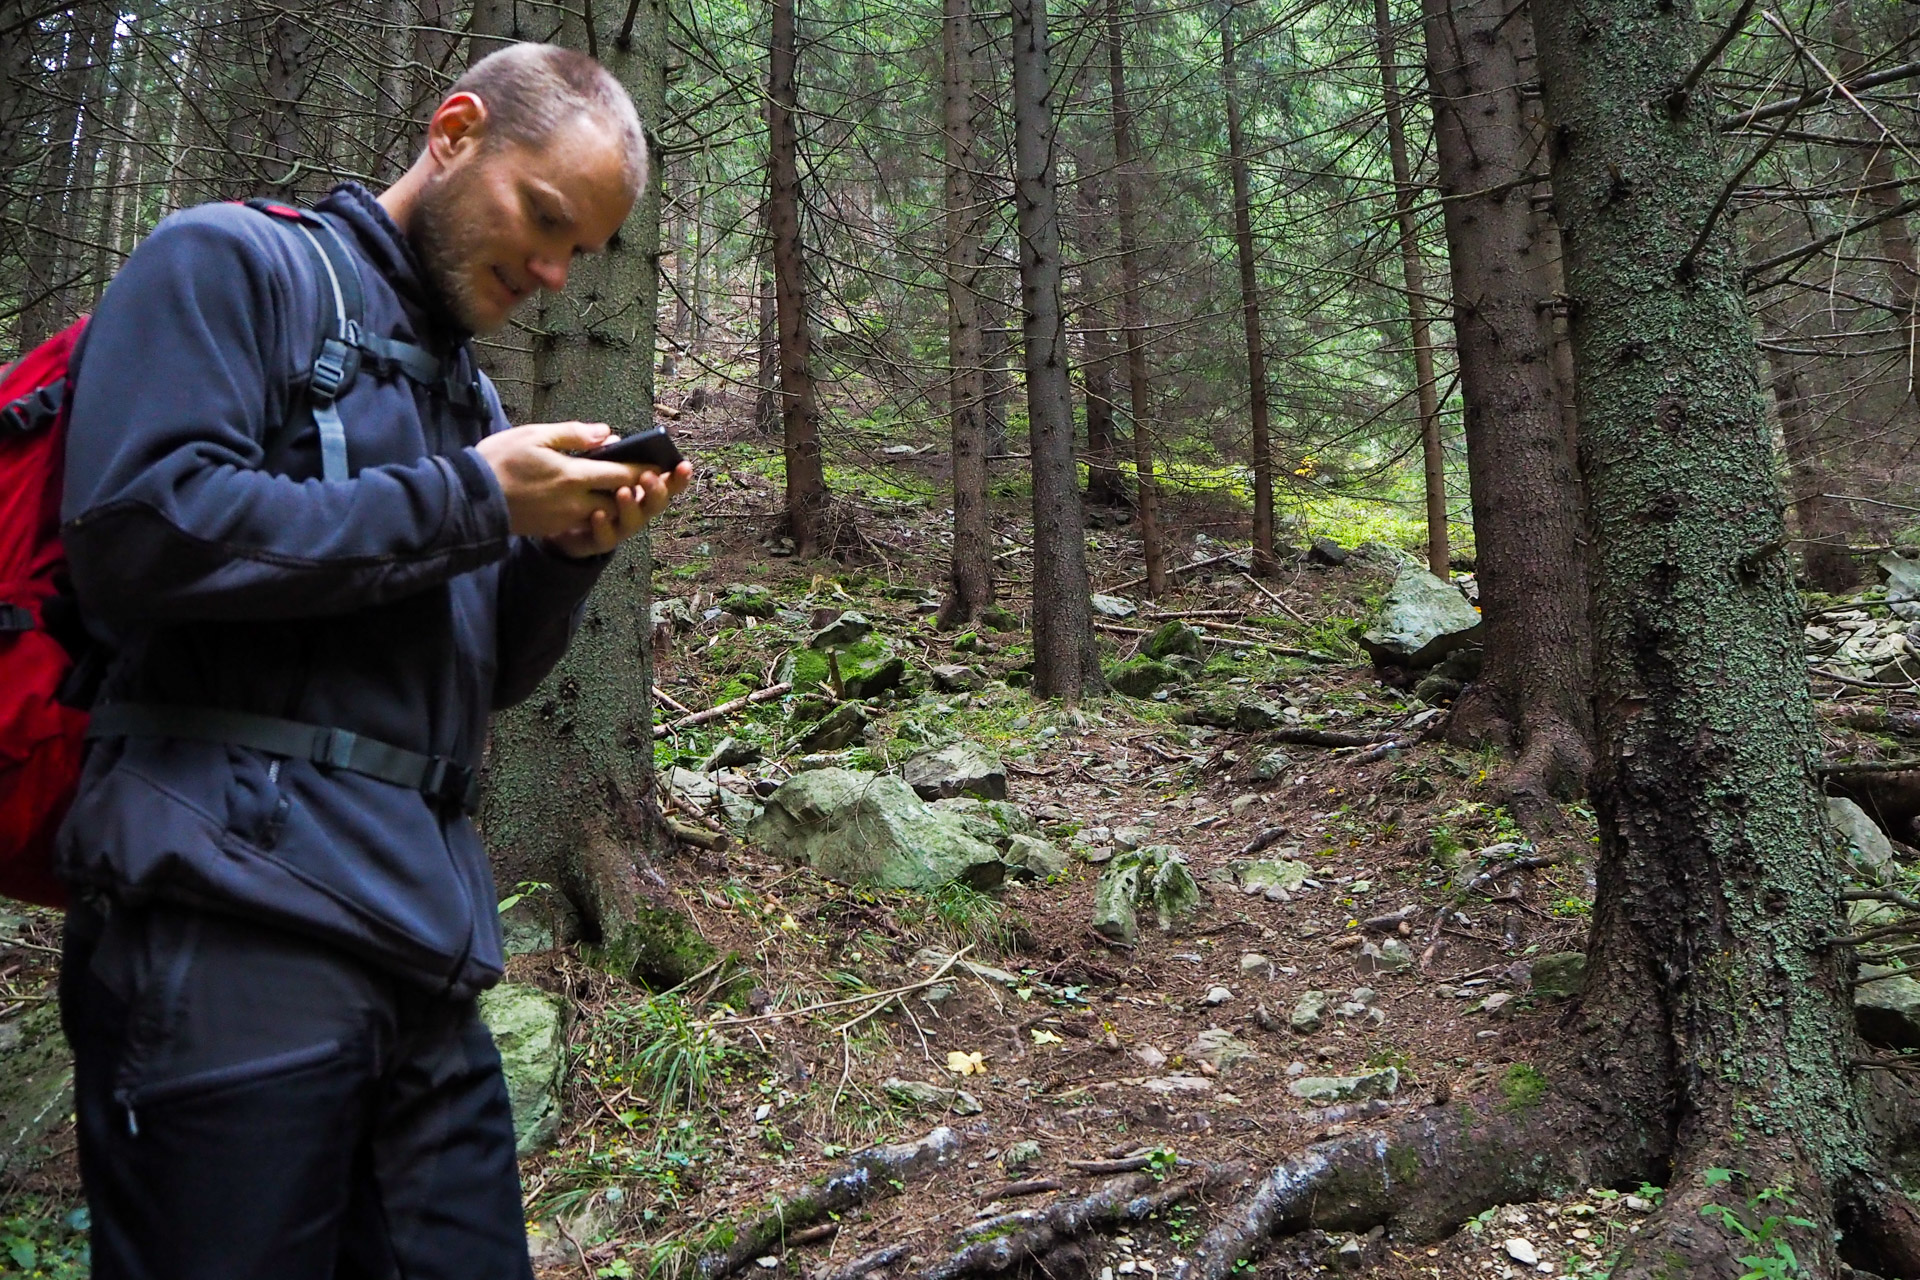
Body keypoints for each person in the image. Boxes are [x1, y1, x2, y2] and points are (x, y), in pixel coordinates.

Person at [54, 43, 688, 1280]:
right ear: (455, 131)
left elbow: (477, 674)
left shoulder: (473, 397)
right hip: (224, 930)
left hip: (423, 957)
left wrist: (556, 555)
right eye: (545, 220)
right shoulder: (228, 263)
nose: (555, 273)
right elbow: (135, 533)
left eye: (581, 253)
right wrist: (466, 497)